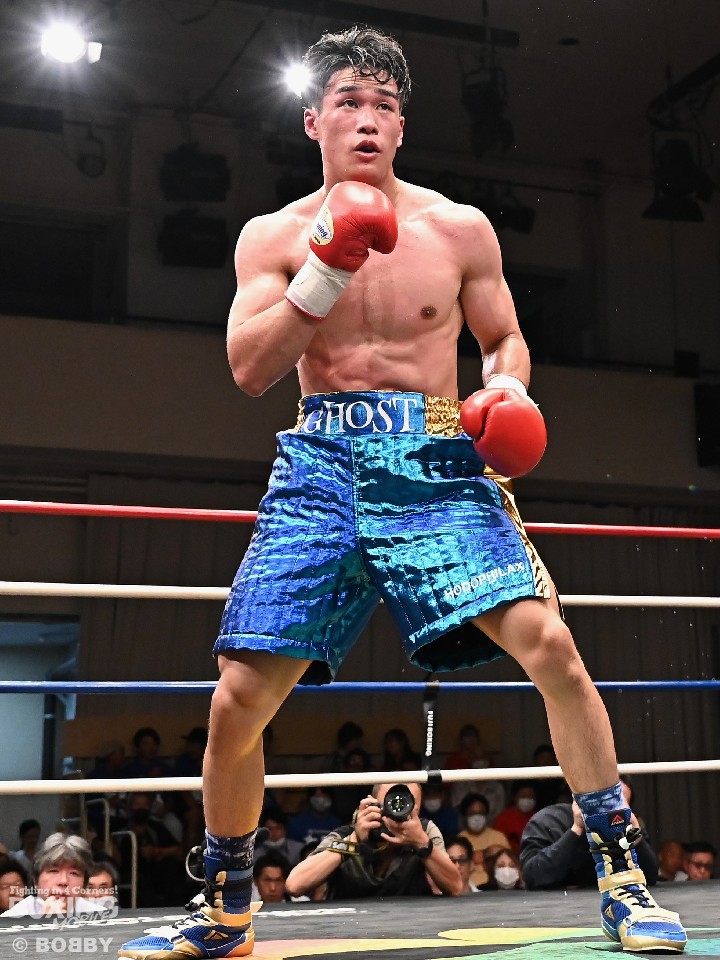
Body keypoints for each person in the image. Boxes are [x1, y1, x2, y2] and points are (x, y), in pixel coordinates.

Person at [119, 23, 686, 958]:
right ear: (313, 120)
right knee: (236, 701)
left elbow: (502, 338)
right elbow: (250, 368)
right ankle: (224, 911)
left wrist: (508, 389)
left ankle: (624, 880)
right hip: (321, 462)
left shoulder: (459, 228)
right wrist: (327, 266)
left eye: (385, 105)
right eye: (349, 101)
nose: (368, 118)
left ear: (402, 126)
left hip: (435, 457)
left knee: (549, 643)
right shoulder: (271, 236)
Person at [284, 782, 462, 900]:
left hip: (409, 925)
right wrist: (353, 841)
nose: (398, 810)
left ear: (418, 809)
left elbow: (455, 887)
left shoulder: (424, 832)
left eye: (407, 804)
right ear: (372, 804)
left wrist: (422, 844)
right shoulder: (348, 835)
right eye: (391, 802)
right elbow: (295, 885)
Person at [520, 800, 659, 892]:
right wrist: (576, 830)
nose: (612, 811)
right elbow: (532, 876)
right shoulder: (549, 820)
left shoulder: (627, 825)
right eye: (607, 802)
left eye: (620, 803)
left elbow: (650, 878)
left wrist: (635, 837)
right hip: (553, 909)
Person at [2, 833, 104, 919]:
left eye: (74, 873)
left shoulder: (100, 917)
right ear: (36, 881)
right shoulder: (12, 918)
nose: (63, 881)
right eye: (54, 871)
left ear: (84, 884)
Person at [457, 792, 510, 888]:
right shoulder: (458, 839)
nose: (477, 818)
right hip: (468, 890)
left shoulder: (499, 837)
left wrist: (483, 854)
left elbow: (510, 864)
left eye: (481, 813)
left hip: (496, 889)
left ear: (487, 815)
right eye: (472, 813)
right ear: (464, 816)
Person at [492, 781, 537, 854]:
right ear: (514, 797)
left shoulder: (540, 818)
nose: (527, 800)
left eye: (531, 796)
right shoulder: (503, 819)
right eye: (523, 796)